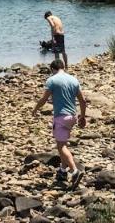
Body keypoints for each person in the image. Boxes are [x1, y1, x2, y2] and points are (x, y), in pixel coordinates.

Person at [33, 58, 88, 187]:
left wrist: (35, 108)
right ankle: (62, 171)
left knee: (61, 147)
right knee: (63, 143)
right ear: (63, 67)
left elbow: (44, 99)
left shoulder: (52, 80)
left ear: (52, 69)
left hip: (61, 117)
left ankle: (74, 171)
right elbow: (83, 100)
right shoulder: (74, 80)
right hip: (72, 117)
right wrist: (83, 116)